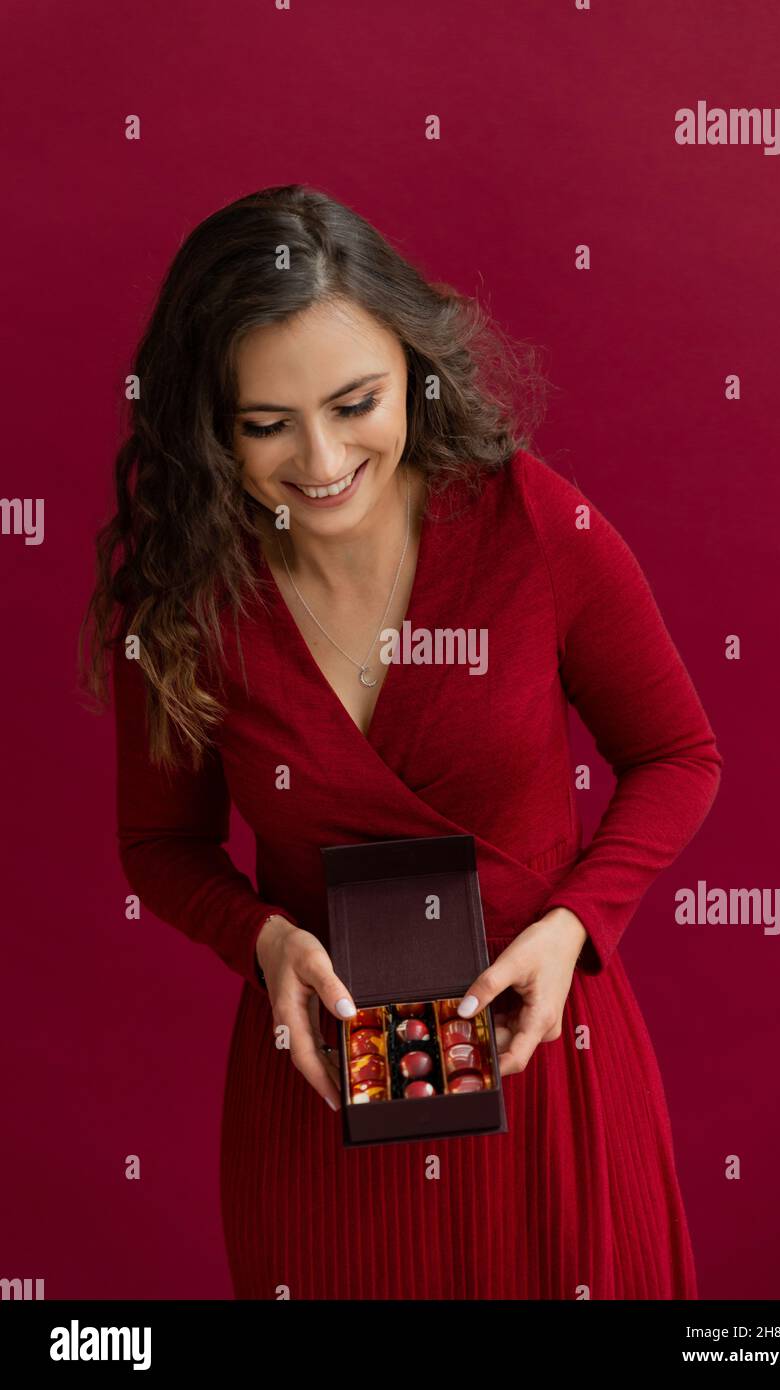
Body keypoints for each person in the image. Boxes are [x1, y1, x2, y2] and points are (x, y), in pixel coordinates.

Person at [79, 184, 723, 1299]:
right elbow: (159, 843)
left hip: (546, 1062)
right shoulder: (187, 596)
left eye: (356, 402)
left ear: (412, 371)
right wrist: (260, 940)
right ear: (207, 425)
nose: (320, 460)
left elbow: (678, 754)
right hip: (323, 1094)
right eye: (264, 425)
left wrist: (578, 924)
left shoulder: (532, 521)